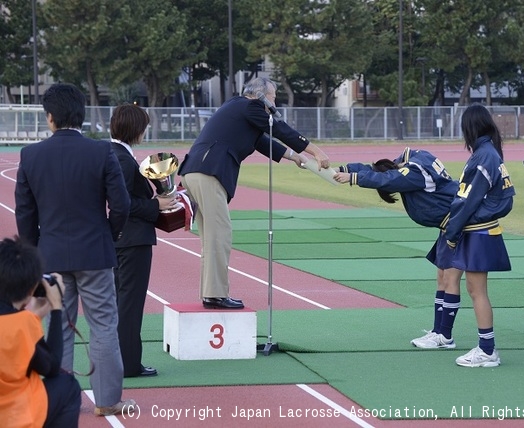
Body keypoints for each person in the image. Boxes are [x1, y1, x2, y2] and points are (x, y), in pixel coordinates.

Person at [14, 83, 135, 416]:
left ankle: (60, 399)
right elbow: (121, 204)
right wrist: (108, 233)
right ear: (81, 116)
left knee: (59, 327)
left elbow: (25, 212)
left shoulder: (31, 155)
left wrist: (34, 252)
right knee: (103, 326)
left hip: (51, 255)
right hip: (96, 252)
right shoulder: (101, 152)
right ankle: (108, 401)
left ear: (50, 117)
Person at [178, 77, 330, 310]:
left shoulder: (239, 108)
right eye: (273, 95)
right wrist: (316, 151)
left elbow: (262, 141)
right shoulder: (251, 107)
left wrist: (296, 156)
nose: (275, 100)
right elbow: (280, 129)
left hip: (197, 170)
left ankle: (212, 294)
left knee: (212, 237)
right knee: (220, 234)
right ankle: (216, 295)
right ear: (260, 95)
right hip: (208, 172)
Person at [332, 147, 459, 348]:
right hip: (449, 225)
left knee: (451, 280)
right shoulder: (411, 160)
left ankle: (445, 336)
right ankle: (439, 331)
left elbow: (387, 179)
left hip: (458, 224)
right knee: (443, 278)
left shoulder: (415, 170)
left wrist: (352, 178)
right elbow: (380, 172)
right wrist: (340, 169)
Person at [430, 103, 515, 367]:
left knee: (477, 291)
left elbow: (468, 202)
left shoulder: (483, 156)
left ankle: (487, 351)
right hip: (479, 230)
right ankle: (485, 348)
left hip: (479, 232)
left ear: (470, 127)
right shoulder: (487, 152)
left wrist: (452, 232)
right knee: (474, 289)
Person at [110, 104, 177, 378]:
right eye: (145, 125)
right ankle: (129, 364)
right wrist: (157, 204)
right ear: (136, 128)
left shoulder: (115, 154)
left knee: (120, 303)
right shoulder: (123, 160)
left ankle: (120, 361)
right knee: (130, 304)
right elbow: (123, 205)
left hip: (122, 239)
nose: (146, 130)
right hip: (132, 240)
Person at [0, 236, 81, 427]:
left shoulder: (22, 321)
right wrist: (54, 307)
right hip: (12, 415)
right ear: (31, 289)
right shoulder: (22, 323)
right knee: (68, 386)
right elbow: (51, 367)